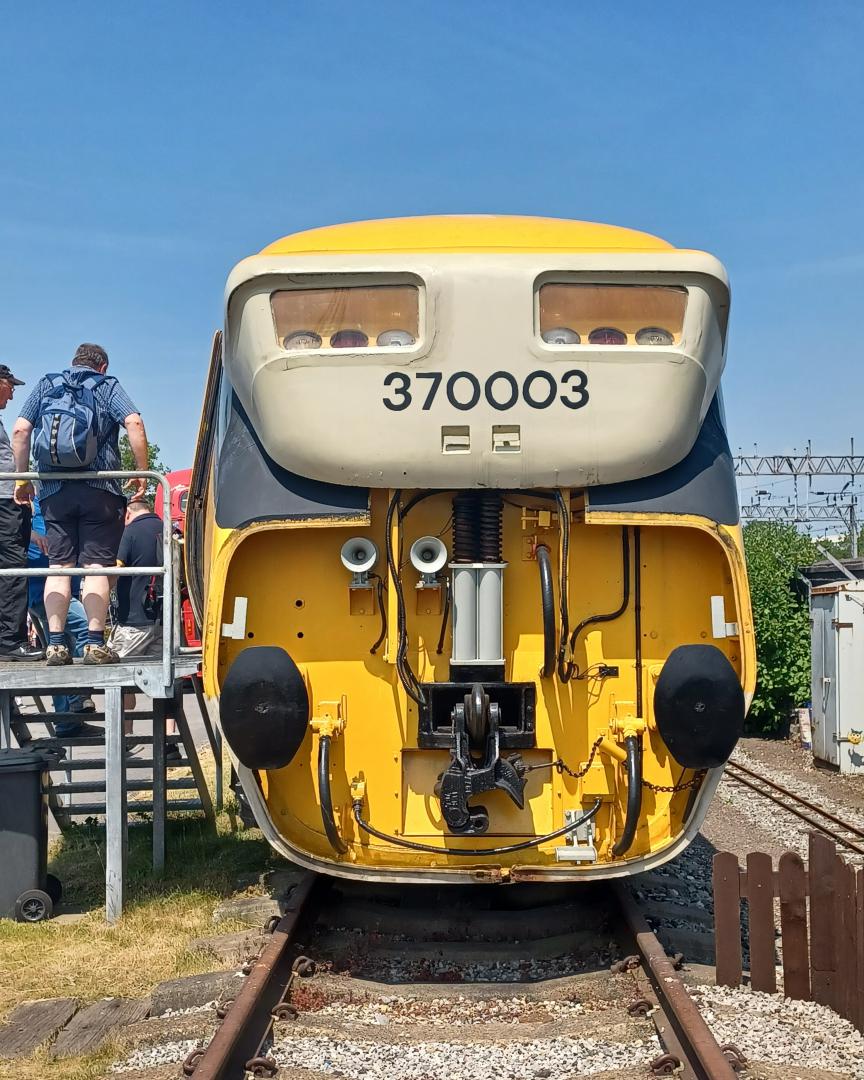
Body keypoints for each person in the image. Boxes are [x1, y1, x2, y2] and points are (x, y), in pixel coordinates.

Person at [12, 344, 149, 665]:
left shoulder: (48, 384)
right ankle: (94, 643)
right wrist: (141, 472)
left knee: (58, 567)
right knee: (96, 569)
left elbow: (20, 430)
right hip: (100, 490)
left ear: (73, 362)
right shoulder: (107, 386)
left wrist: (22, 479)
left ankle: (56, 644)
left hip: (54, 493)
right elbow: (134, 423)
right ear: (102, 366)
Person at [110, 497, 181, 763]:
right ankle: (169, 743)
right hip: (165, 618)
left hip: (135, 619)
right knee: (164, 679)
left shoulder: (130, 532)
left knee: (119, 679)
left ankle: (124, 739)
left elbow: (116, 570)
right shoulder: (168, 529)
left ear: (128, 513)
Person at [28, 497, 99, 737]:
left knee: (58, 653)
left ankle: (66, 723)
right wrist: (31, 536)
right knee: (84, 628)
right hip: (45, 594)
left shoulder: (48, 505)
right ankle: (78, 695)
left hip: (61, 592)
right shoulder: (29, 509)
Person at [0, 363, 44, 661]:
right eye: (10, 385)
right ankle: (9, 642)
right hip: (5, 501)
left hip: (7, 499)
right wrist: (20, 482)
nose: (13, 393)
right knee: (13, 568)